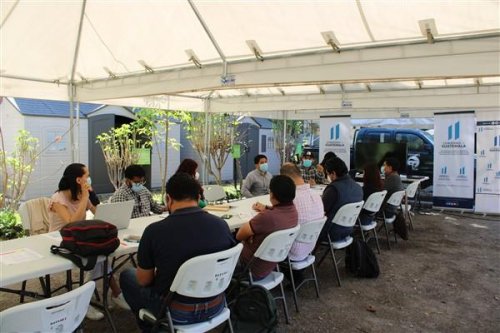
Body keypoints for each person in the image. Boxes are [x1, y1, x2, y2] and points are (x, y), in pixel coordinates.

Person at [120, 173, 236, 331]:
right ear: (199, 196)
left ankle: (151, 326)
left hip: (176, 312)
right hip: (217, 303)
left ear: (168, 199)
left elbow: (143, 281)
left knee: (127, 276)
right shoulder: (221, 225)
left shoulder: (154, 232)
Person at [48, 163, 129, 321]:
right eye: (87, 176)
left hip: (80, 238)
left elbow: (98, 213)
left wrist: (92, 198)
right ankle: (99, 297)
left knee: (100, 252)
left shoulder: (82, 194)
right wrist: (85, 197)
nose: (89, 179)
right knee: (97, 254)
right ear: (79, 180)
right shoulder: (58, 198)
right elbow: (71, 222)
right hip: (60, 240)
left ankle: (88, 298)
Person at [237, 175, 298, 280]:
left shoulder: (267, 217)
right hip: (271, 265)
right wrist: (266, 208)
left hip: (250, 268)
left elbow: (239, 236)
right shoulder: (293, 211)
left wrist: (249, 237)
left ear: (272, 194)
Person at [321, 157, 363, 242]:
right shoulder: (358, 187)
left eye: (328, 174)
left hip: (331, 232)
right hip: (349, 229)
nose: (328, 177)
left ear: (333, 173)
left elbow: (321, 210)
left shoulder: (333, 189)